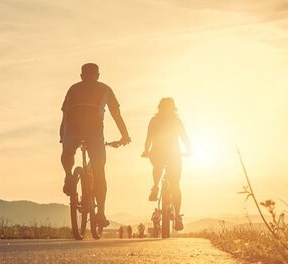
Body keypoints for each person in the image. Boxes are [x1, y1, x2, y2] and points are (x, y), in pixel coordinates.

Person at [60, 63, 132, 227]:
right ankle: (100, 214)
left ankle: (69, 176)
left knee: (68, 152)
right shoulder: (105, 89)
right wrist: (125, 135)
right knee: (99, 172)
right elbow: (116, 114)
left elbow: (64, 116)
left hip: (72, 129)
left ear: (81, 76)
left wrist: (62, 136)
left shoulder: (72, 88)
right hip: (94, 132)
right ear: (98, 75)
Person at [142, 97, 191, 231]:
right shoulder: (176, 121)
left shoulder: (155, 120)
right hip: (174, 155)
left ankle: (156, 187)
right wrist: (189, 150)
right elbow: (184, 137)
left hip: (157, 153)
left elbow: (149, 138)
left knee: (158, 166)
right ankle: (177, 217)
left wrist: (146, 151)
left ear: (159, 108)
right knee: (175, 185)